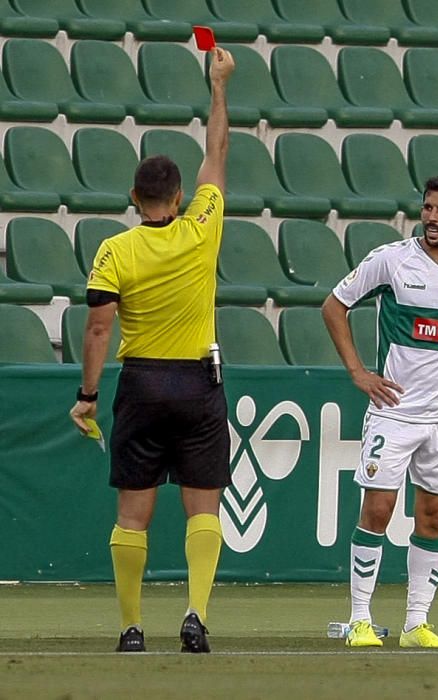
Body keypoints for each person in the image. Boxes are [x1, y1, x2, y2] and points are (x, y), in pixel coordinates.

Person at [68, 47, 235, 654]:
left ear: (136, 198)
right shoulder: (203, 226)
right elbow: (218, 149)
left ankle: (132, 628)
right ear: (181, 193)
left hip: (141, 385)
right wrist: (217, 86)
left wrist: (88, 396)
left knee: (132, 515)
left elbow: (97, 330)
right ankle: (195, 615)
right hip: (198, 384)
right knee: (202, 509)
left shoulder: (114, 250)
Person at [323, 175, 438, 649]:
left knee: (434, 517)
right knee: (378, 510)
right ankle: (360, 619)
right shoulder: (391, 260)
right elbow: (334, 306)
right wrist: (359, 372)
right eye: (427, 208)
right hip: (394, 411)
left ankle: (415, 625)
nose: (432, 218)